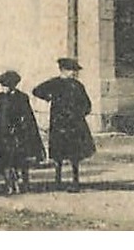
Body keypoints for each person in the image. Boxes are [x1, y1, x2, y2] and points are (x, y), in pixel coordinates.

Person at [33, 57, 95, 189]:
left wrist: (80, 114)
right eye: (71, 70)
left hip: (74, 124)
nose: (74, 73)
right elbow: (37, 91)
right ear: (63, 70)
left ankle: (75, 181)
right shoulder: (54, 83)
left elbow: (87, 104)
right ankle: (58, 181)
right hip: (59, 124)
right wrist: (48, 97)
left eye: (75, 70)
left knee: (75, 154)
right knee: (58, 153)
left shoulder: (77, 85)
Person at [0, 71, 44, 193]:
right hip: (3, 136)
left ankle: (25, 184)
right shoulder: (1, 98)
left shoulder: (22, 98)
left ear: (12, 85)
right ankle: (9, 185)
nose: (3, 88)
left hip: (19, 135)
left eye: (5, 86)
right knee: (6, 161)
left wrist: (23, 129)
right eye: (2, 86)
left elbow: (28, 116)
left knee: (21, 161)